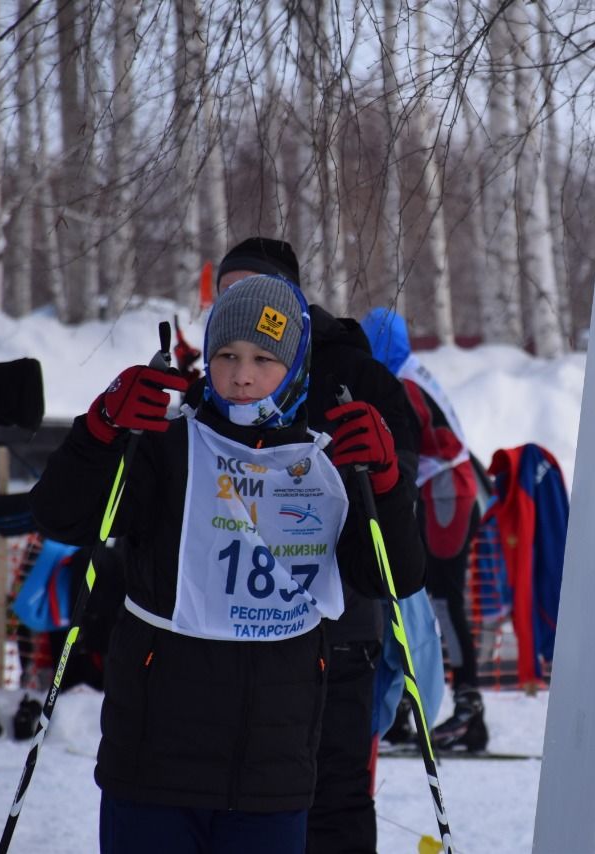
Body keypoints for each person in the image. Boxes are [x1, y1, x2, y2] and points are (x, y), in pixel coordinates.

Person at [29, 275, 424, 854]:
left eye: (264, 359)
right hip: (154, 766)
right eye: (226, 355)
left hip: (273, 775)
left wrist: (386, 486)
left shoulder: (325, 460)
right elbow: (62, 517)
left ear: (295, 369)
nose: (242, 376)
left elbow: (392, 578)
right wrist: (99, 431)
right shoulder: (164, 445)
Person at [211, 238, 422, 854]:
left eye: (253, 291)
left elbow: (398, 493)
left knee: (332, 794)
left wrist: (379, 473)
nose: (239, 307)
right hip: (233, 627)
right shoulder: (221, 375)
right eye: (225, 297)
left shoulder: (355, 375)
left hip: (340, 626)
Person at [360, 307, 488, 752]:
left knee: (438, 599)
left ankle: (469, 708)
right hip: (446, 489)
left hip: (447, 493)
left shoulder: (402, 382)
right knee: (421, 598)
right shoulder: (409, 369)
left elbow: (403, 452)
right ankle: (404, 707)